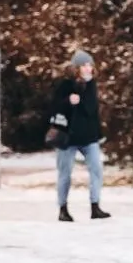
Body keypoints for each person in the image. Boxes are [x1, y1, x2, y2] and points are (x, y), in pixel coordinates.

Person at [50, 50, 111, 222]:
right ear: (76, 68)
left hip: (88, 137)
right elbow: (54, 107)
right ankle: (63, 208)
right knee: (65, 173)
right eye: (84, 65)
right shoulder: (65, 85)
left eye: (89, 65)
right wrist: (68, 101)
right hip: (67, 137)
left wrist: (82, 95)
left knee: (96, 169)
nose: (87, 68)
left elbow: (91, 109)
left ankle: (95, 205)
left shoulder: (91, 85)